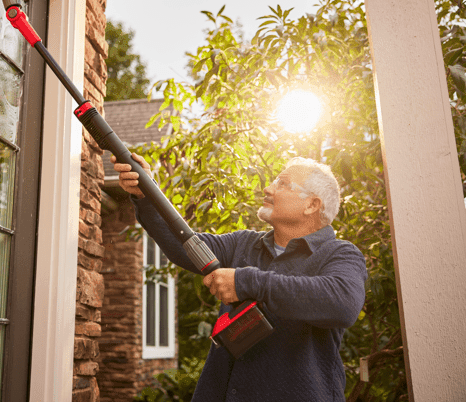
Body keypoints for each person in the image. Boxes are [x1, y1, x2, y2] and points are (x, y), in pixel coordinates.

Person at [112, 154, 367, 401]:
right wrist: (147, 195)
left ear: (312, 205)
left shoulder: (340, 254)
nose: (268, 189)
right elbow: (185, 245)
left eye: (283, 184)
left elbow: (342, 303)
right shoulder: (243, 244)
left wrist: (245, 282)